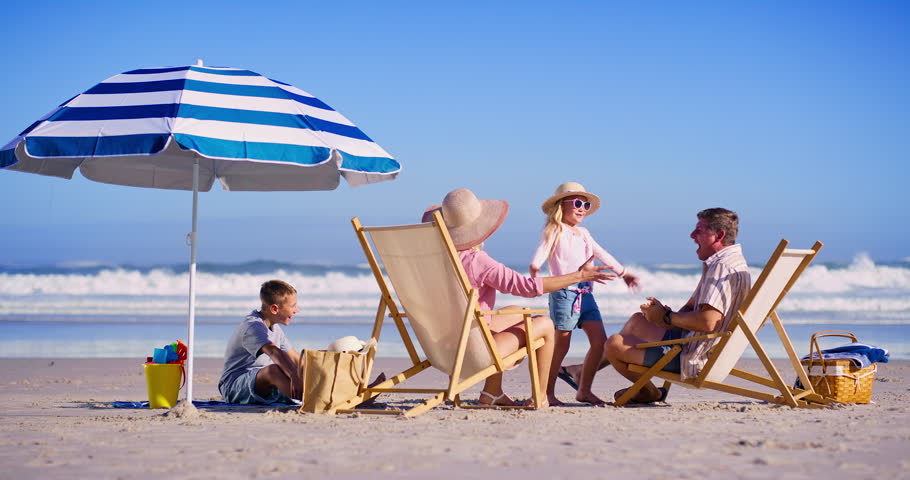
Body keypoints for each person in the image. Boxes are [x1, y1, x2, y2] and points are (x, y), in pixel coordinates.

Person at [424, 188, 616, 408]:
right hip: (471, 353)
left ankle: (492, 392)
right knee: (544, 323)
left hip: (440, 346)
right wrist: (579, 276)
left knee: (514, 311)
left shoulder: (433, 261)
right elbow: (526, 287)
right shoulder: (478, 261)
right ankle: (541, 396)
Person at [604, 208, 751, 404]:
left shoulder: (721, 268)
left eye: (699, 230)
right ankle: (583, 371)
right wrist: (663, 314)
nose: (692, 235)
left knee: (614, 344)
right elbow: (693, 305)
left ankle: (649, 392)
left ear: (719, 235)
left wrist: (666, 318)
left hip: (696, 356)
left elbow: (708, 322)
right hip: (703, 343)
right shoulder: (732, 262)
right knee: (637, 321)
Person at [529, 182, 640, 405]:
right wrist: (534, 267)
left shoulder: (584, 233)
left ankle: (584, 390)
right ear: (562, 205)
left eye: (586, 205)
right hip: (563, 294)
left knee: (600, 342)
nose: (582, 209)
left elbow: (602, 253)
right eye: (578, 203)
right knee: (561, 346)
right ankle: (546, 393)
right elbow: (542, 251)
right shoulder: (555, 230)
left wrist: (624, 273)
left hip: (586, 294)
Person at [218, 279, 302, 404]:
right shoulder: (253, 327)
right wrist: (294, 376)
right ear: (274, 309)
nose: (297, 310)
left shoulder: (276, 329)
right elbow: (273, 351)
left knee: (293, 368)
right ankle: (313, 400)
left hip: (264, 385)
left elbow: (297, 360)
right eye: (292, 306)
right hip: (234, 386)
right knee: (275, 370)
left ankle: (319, 396)